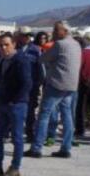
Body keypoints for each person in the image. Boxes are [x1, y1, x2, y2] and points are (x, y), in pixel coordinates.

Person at [29, 22, 82, 159]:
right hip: (71, 85)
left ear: (65, 31)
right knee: (67, 115)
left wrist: (49, 60)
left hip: (57, 83)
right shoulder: (76, 44)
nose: (53, 32)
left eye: (56, 30)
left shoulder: (59, 44)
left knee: (44, 115)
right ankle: (66, 147)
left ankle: (36, 147)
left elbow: (42, 59)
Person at [0, 33, 32, 176]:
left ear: (14, 44)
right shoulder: (3, 60)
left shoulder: (21, 60)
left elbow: (27, 83)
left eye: (6, 44)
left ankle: (15, 167)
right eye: (1, 45)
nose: (3, 48)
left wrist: (15, 100)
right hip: (3, 103)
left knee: (17, 137)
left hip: (16, 104)